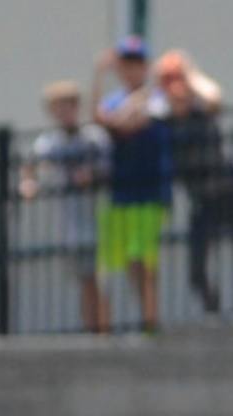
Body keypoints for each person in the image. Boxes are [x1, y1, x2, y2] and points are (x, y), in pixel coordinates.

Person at [92, 36, 174, 333]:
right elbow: (101, 118)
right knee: (113, 266)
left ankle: (150, 326)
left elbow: (126, 124)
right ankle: (105, 333)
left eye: (136, 63)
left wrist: (131, 104)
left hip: (148, 194)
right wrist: (99, 74)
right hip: (119, 194)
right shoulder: (116, 98)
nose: (130, 70)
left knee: (144, 262)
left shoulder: (158, 99)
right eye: (124, 64)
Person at [19, 80, 111, 333]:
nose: (61, 113)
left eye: (66, 106)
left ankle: (103, 332)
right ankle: (90, 330)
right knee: (84, 280)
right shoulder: (50, 143)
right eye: (56, 108)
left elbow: (109, 168)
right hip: (71, 224)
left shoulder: (93, 138)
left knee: (99, 280)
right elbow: (30, 165)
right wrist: (29, 183)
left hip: (98, 220)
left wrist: (91, 175)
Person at [155, 50, 232, 315]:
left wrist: (188, 71)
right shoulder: (164, 122)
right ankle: (214, 309)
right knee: (196, 271)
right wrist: (158, 84)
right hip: (201, 201)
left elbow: (213, 96)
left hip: (227, 192)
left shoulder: (202, 111)